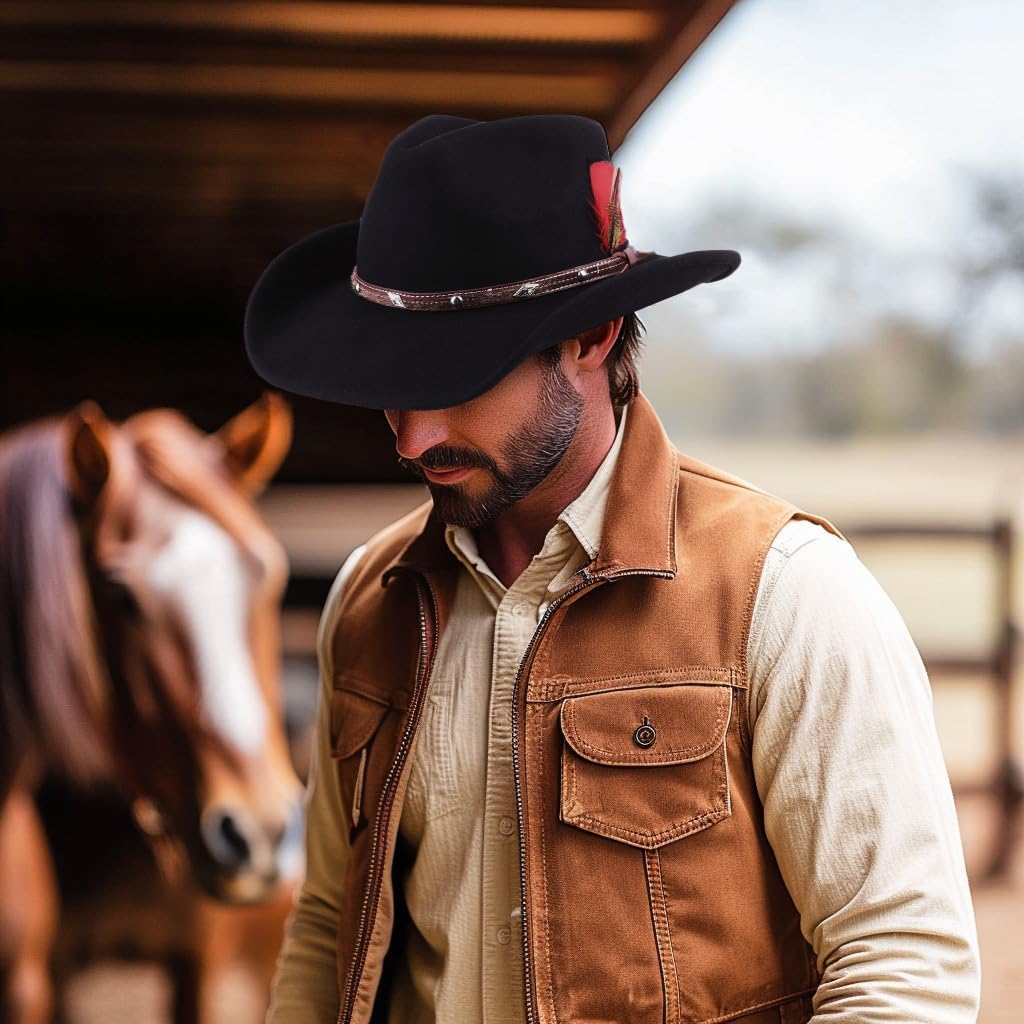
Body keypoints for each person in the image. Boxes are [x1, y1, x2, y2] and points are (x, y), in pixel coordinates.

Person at [244, 114, 980, 1024]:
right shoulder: (369, 599)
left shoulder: (785, 593)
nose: (411, 433)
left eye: (455, 376)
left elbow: (901, 964)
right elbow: (328, 925)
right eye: (392, 379)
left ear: (592, 336)